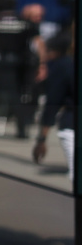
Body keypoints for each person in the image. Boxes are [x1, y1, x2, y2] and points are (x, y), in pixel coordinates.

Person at [33, 34, 75, 186]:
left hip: (72, 127)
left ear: (54, 52)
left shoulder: (62, 66)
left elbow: (52, 103)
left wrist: (41, 140)